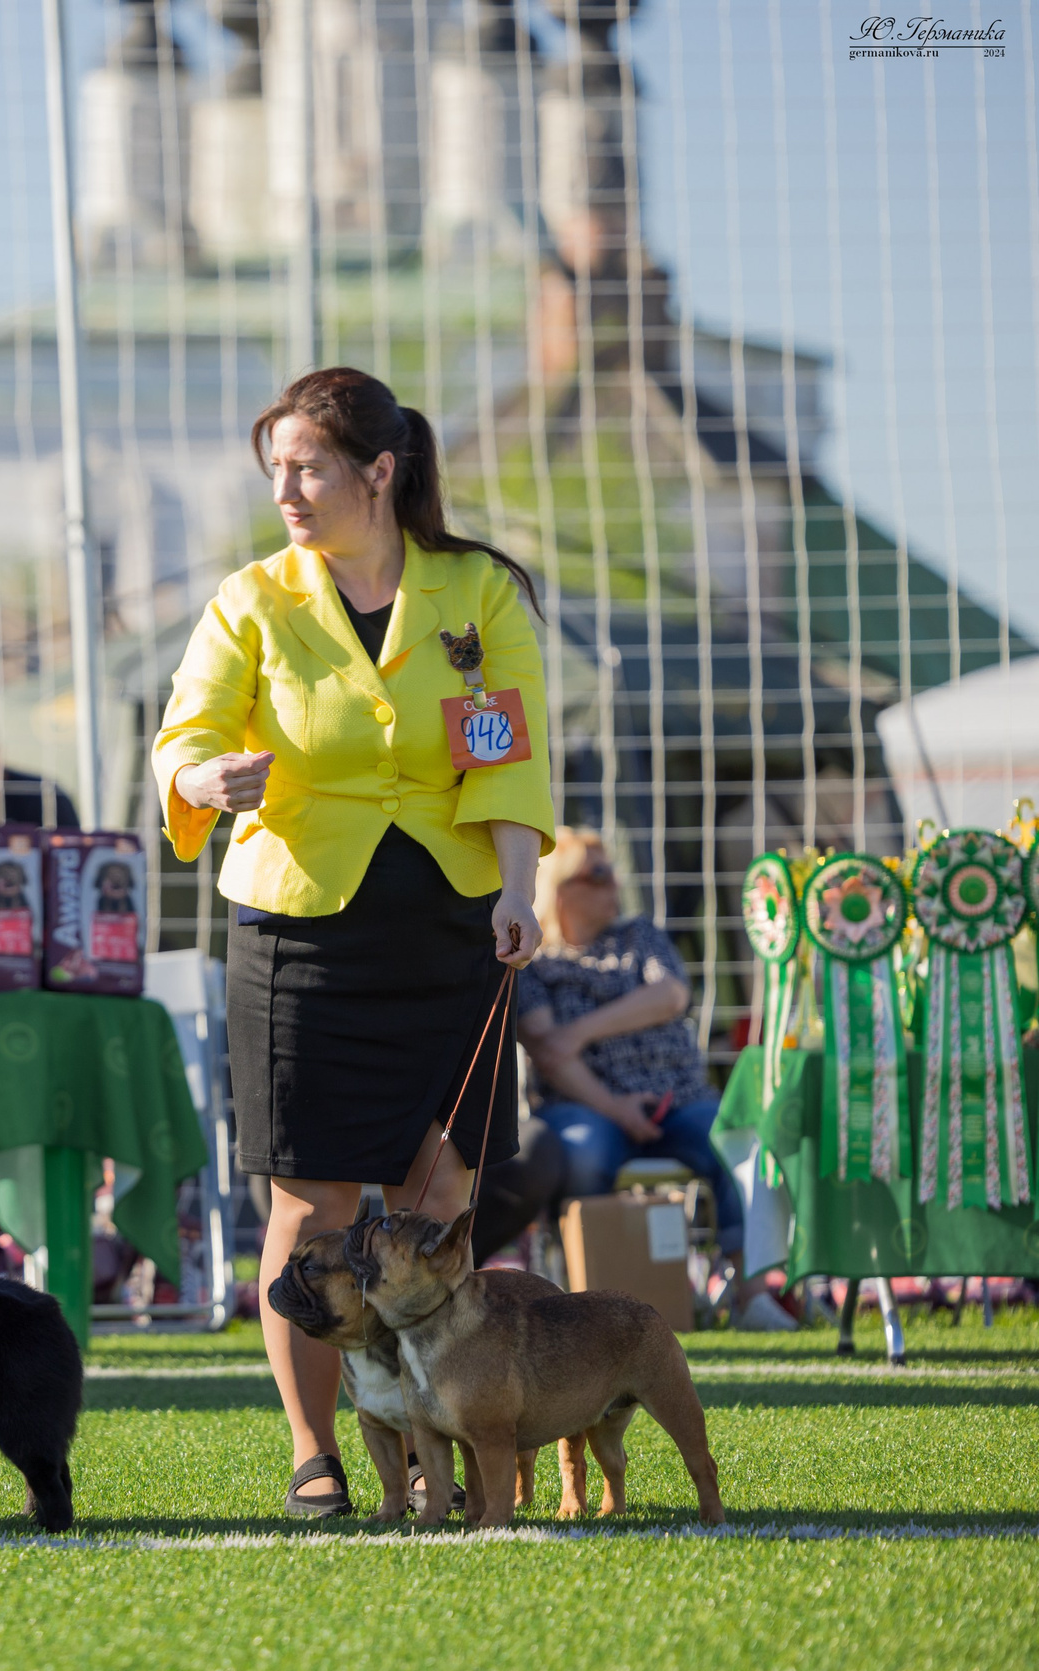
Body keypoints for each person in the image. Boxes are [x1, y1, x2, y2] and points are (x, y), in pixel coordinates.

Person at [151, 367, 552, 1518]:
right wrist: (199, 776)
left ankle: (445, 1439)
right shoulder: (251, 599)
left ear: (381, 471)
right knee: (313, 1206)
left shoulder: (478, 593)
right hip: (298, 933)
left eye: (308, 467)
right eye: (273, 467)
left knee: (440, 1193)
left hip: (453, 924)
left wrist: (518, 888)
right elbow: (180, 738)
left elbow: (507, 756)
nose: (285, 488)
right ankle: (315, 1451)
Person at [517, 828, 798, 1330]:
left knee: (742, 1142)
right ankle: (589, 1302)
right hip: (585, 1107)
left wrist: (579, 1030)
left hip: (679, 1099)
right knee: (581, 1151)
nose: (614, 884)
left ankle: (753, 1296)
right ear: (560, 888)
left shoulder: (639, 935)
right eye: (598, 874)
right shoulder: (534, 965)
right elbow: (550, 1054)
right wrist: (616, 1107)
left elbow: (669, 996)